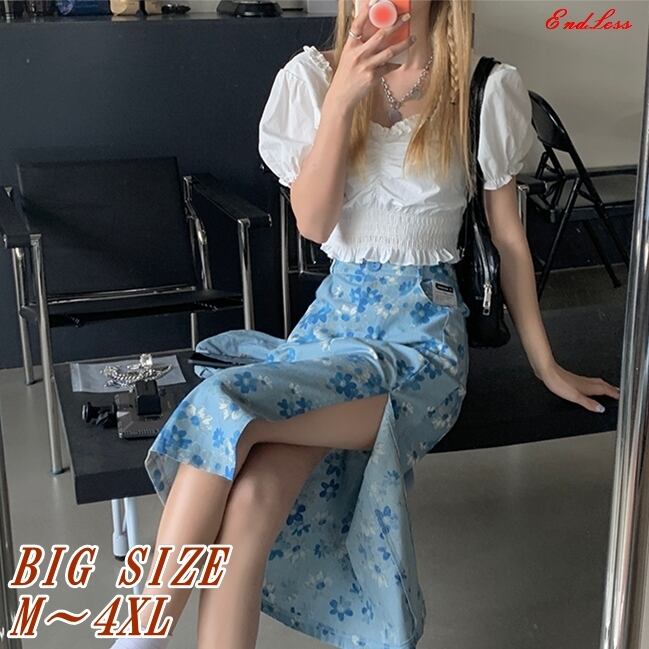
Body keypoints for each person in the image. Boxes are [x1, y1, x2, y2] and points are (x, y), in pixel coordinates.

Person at [110, 1, 620, 648]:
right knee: (253, 501)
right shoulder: (311, 79)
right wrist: (343, 98)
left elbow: (510, 239)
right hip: (330, 330)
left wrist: (545, 365)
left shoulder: (484, 88)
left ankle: (138, 638)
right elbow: (313, 224)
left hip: (418, 345)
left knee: (221, 406)